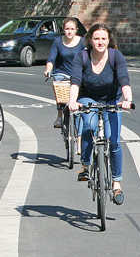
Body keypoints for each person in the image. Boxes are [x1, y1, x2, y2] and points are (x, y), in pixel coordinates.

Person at [68, 24, 133, 205]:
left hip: (112, 99)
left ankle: (116, 183)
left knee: (114, 141)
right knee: (88, 127)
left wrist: (127, 98)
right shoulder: (81, 57)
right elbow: (75, 81)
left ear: (109, 40)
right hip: (88, 98)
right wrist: (73, 101)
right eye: (96, 38)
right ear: (90, 40)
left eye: (103, 38)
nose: (100, 42)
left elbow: (124, 80)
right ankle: (86, 165)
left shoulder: (115, 56)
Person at [44, 17, 85, 129]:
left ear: (76, 30)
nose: (69, 31)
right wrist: (48, 70)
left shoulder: (82, 42)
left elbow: (88, 58)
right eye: (67, 29)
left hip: (77, 74)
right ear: (63, 29)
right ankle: (60, 115)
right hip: (62, 73)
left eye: (72, 29)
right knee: (59, 85)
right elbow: (51, 59)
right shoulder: (58, 42)